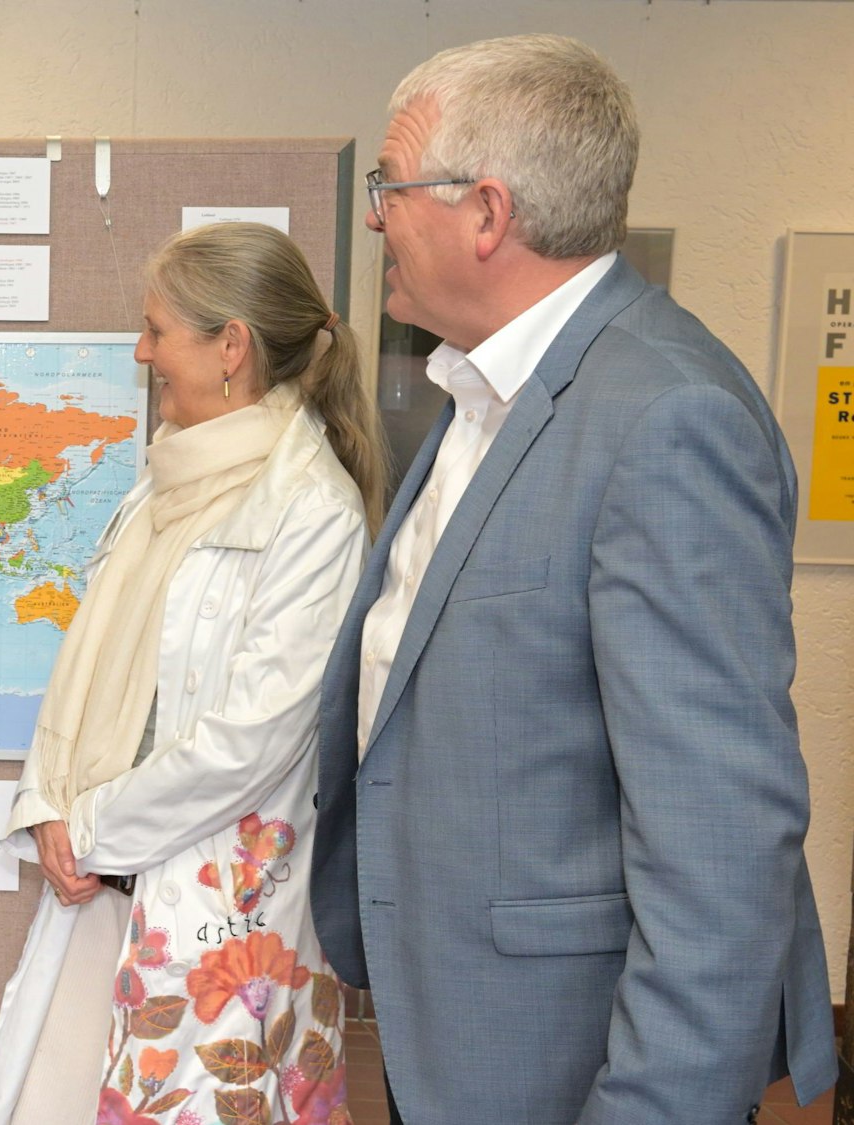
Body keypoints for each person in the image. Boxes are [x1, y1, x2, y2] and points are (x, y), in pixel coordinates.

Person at [310, 34, 837, 1124]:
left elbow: (718, 843)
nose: (373, 219)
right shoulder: (486, 392)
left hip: (563, 1055)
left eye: (389, 189)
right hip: (452, 1024)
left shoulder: (661, 417)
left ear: (485, 214)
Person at [0, 222, 385, 1125]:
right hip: (106, 887)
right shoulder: (160, 486)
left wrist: (89, 826)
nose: (141, 349)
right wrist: (50, 804)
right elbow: (89, 670)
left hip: (219, 911)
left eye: (158, 329)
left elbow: (253, 739)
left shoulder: (314, 512)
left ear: (230, 346)